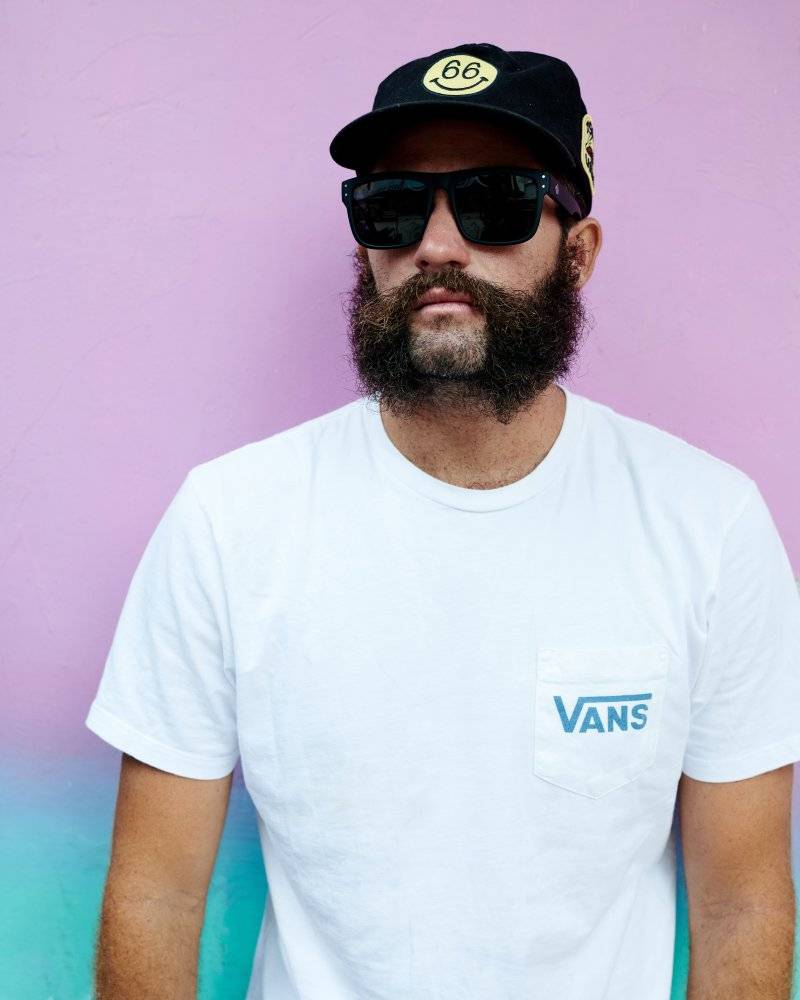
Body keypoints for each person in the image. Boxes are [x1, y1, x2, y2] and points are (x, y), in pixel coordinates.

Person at [85, 42, 800, 1000]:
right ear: (364, 248)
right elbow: (156, 895)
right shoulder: (230, 520)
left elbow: (741, 902)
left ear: (578, 252)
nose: (438, 245)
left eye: (494, 201)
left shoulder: (706, 525)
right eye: (393, 205)